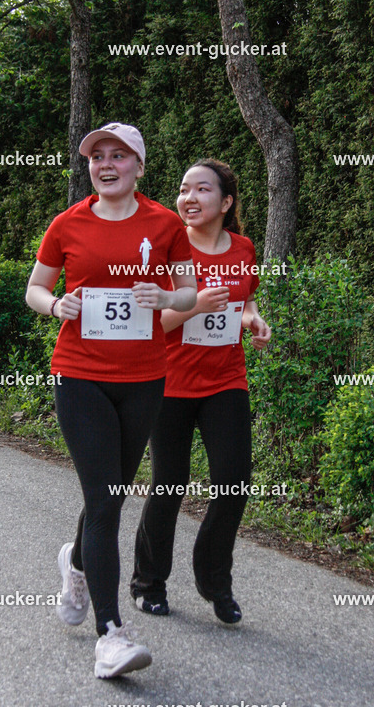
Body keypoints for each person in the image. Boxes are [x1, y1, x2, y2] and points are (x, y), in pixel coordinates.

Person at [25, 123, 196, 678]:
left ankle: (76, 564)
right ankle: (111, 636)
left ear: (139, 167)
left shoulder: (166, 225)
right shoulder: (67, 224)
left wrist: (165, 295)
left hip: (145, 378)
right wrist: (56, 307)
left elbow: (189, 292)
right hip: (80, 375)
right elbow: (35, 288)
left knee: (111, 497)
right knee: (102, 500)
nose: (105, 163)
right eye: (97, 155)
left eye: (117, 155)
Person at [131, 159, 271, 624]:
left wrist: (253, 319)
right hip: (169, 382)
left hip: (226, 380)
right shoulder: (169, 250)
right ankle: (148, 583)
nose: (188, 198)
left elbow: (245, 298)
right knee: (169, 485)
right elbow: (151, 323)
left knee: (233, 483)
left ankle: (215, 583)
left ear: (226, 202)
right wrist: (195, 307)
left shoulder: (244, 248)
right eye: (183, 189)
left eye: (201, 190)